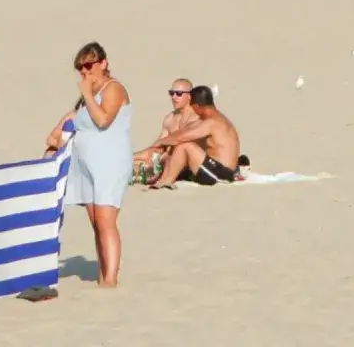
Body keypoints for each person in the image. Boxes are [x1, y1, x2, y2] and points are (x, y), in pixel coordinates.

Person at [44, 42, 131, 287]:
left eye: (89, 65)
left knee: (106, 220)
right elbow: (59, 131)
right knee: (96, 223)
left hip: (109, 163)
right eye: (80, 67)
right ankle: (103, 274)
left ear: (103, 64)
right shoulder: (85, 100)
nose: (84, 71)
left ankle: (110, 279)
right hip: (85, 167)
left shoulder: (113, 89)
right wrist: (53, 144)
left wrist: (87, 94)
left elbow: (103, 119)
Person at [147, 86, 240, 188]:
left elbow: (181, 137)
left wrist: (160, 142)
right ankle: (162, 177)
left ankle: (167, 181)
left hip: (221, 174)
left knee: (185, 146)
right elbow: (185, 133)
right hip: (217, 168)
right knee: (180, 148)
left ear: (196, 106)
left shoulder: (212, 122)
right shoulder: (215, 119)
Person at [131, 79, 199, 181]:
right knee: (128, 161)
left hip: (181, 165)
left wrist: (157, 158)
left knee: (145, 167)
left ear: (190, 96)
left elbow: (186, 149)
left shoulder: (195, 117)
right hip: (163, 159)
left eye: (179, 93)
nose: (174, 97)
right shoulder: (170, 118)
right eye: (171, 93)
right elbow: (158, 145)